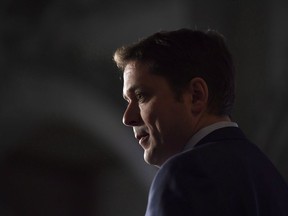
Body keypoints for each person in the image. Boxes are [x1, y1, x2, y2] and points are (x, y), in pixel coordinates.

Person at [113, 28, 288, 216]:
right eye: (127, 101)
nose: (127, 118)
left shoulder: (182, 175)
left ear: (196, 96)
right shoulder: (268, 176)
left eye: (141, 96)